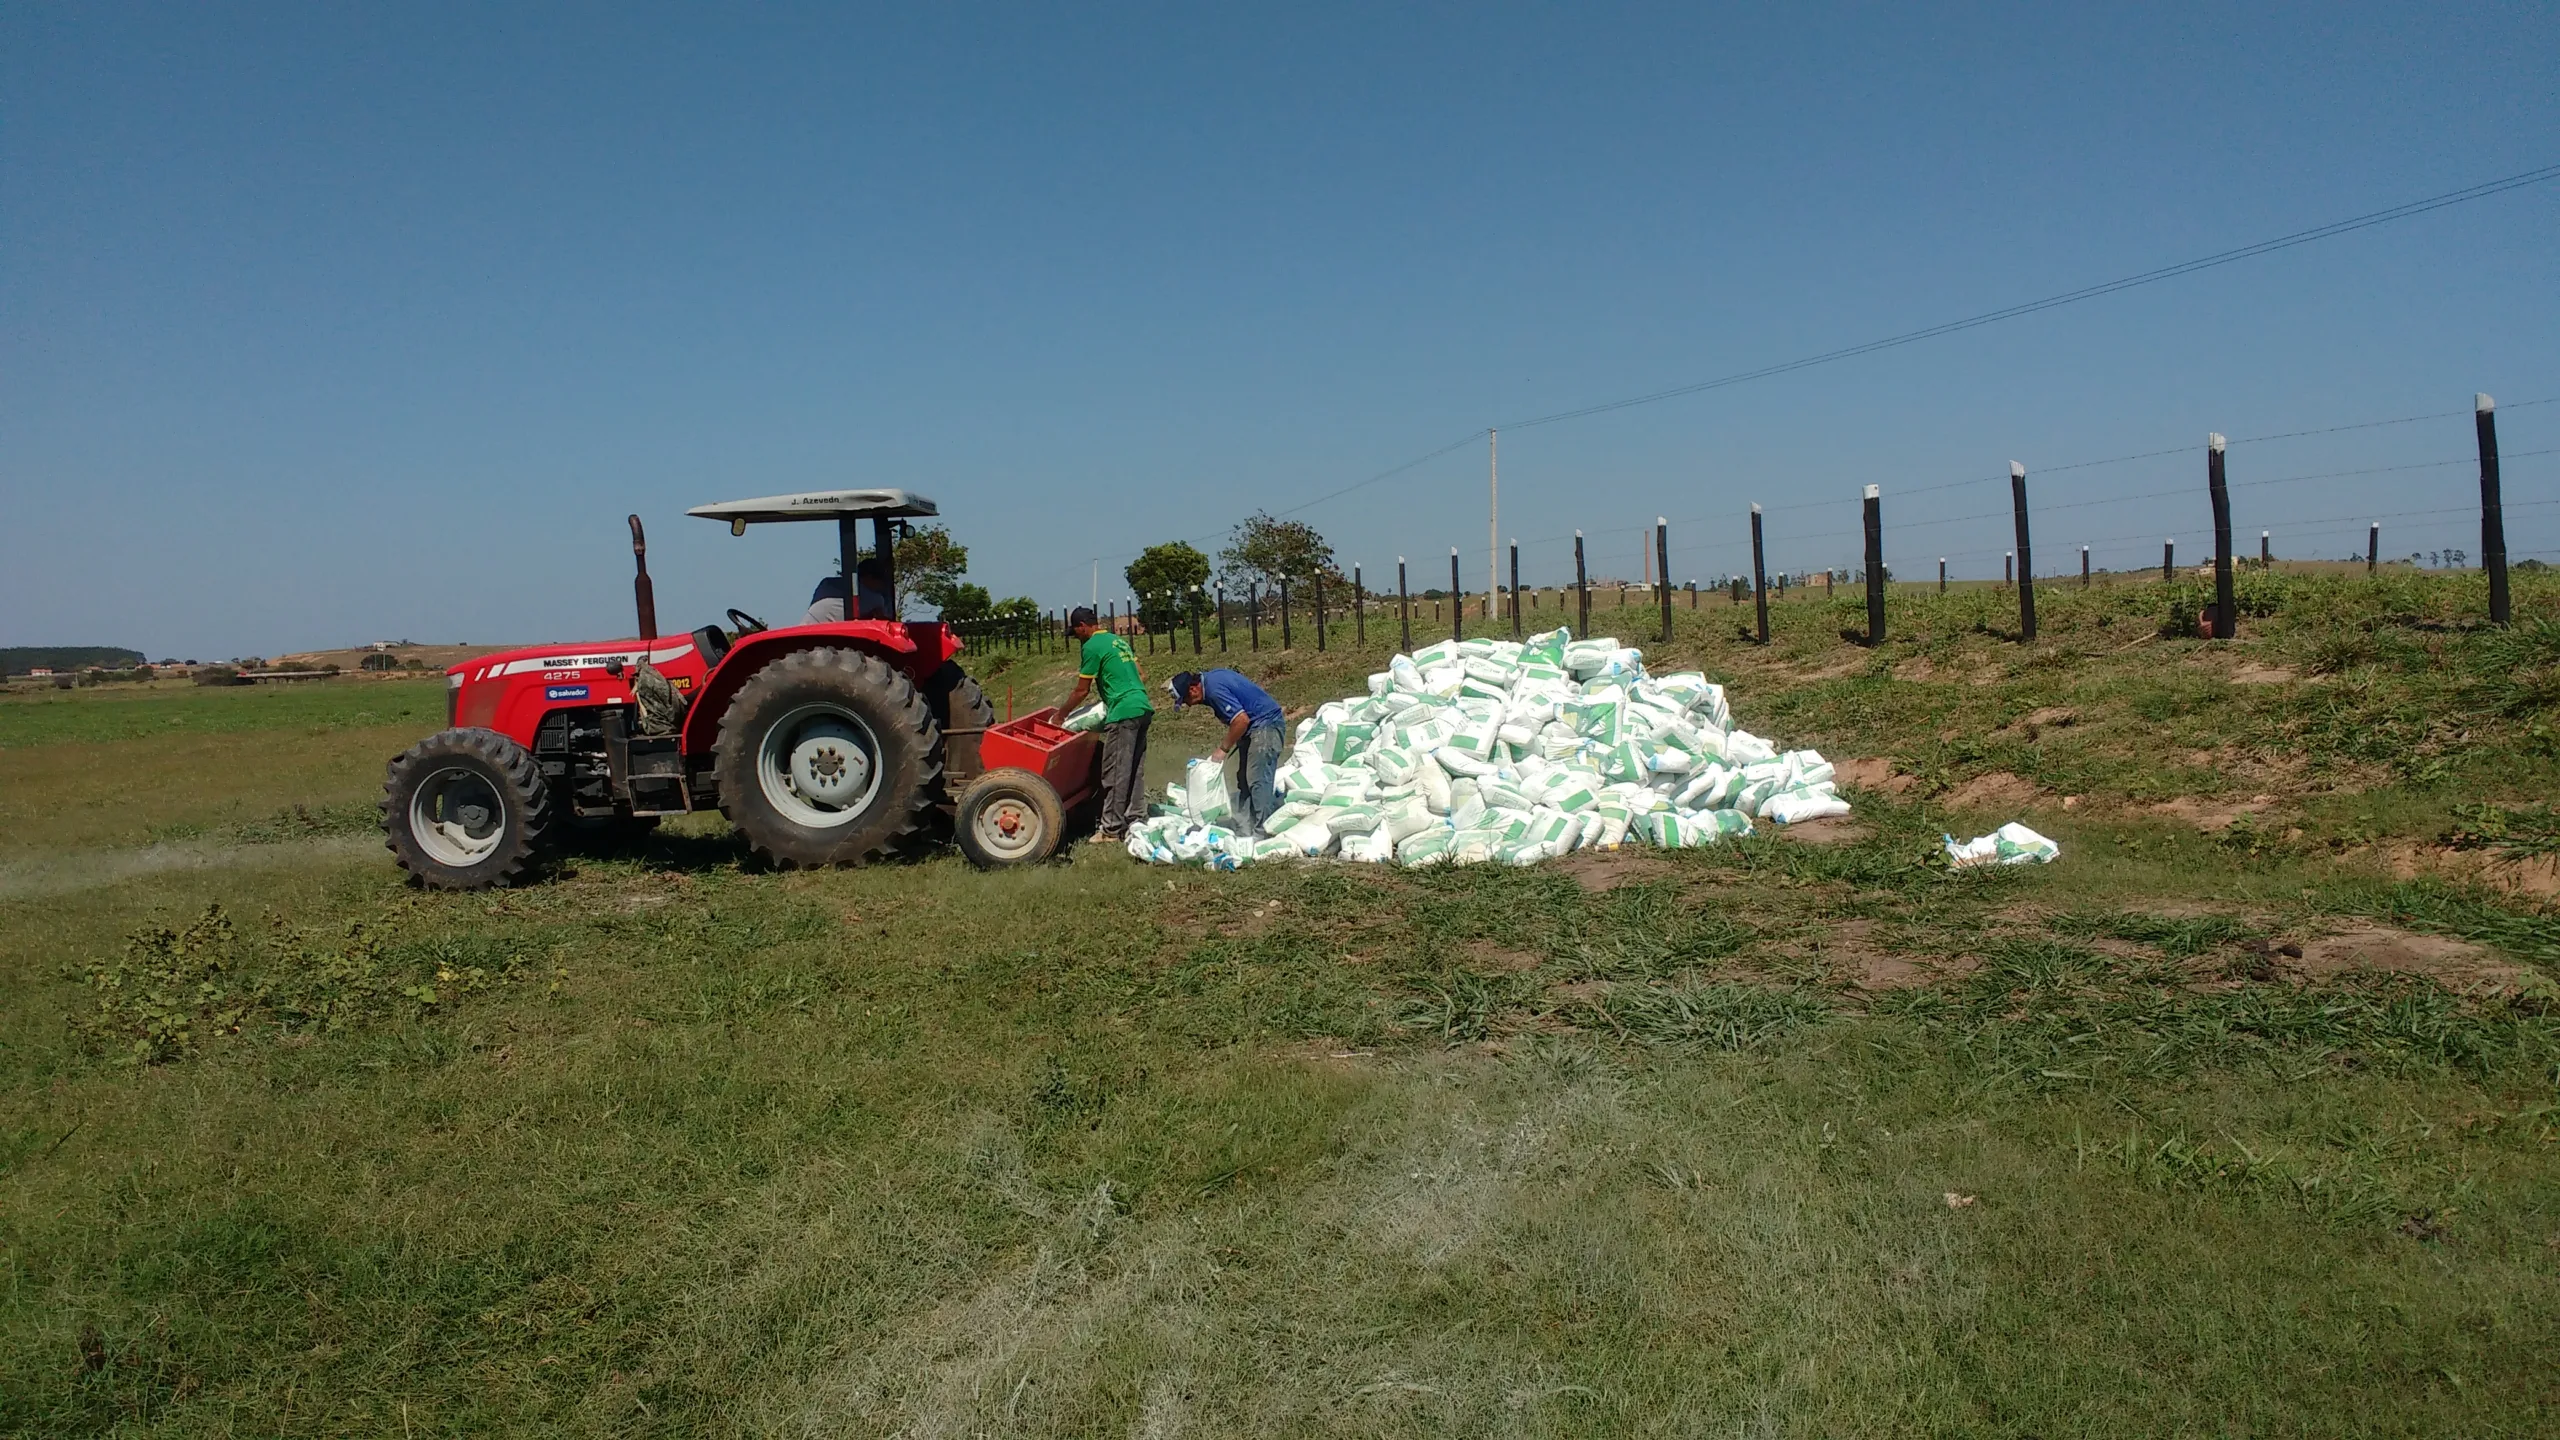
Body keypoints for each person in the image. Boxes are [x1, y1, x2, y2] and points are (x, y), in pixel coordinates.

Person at [1061, 605, 1153, 842]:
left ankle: (1111, 830)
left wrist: (1061, 715)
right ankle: (1135, 819)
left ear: (1082, 627)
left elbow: (1081, 691)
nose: (1077, 639)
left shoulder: (1092, 646)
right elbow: (1141, 675)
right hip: (1142, 706)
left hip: (1123, 712)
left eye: (1077, 633)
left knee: (1114, 771)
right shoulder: (1117, 640)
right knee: (1134, 768)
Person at [1169, 668, 1284, 835]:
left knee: (1257, 780)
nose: (1188, 704)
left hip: (1265, 725)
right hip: (1253, 728)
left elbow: (1241, 720)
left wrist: (1223, 750)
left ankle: (1263, 832)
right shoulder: (1211, 681)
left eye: (1186, 699)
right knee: (1244, 779)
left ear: (1193, 689)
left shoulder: (1214, 689)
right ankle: (1245, 828)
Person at [803, 559, 895, 624]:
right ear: (869, 578)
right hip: (831, 641)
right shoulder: (875, 599)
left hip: (807, 629)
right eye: (880, 582)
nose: (881, 586)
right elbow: (883, 620)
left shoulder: (827, 582)